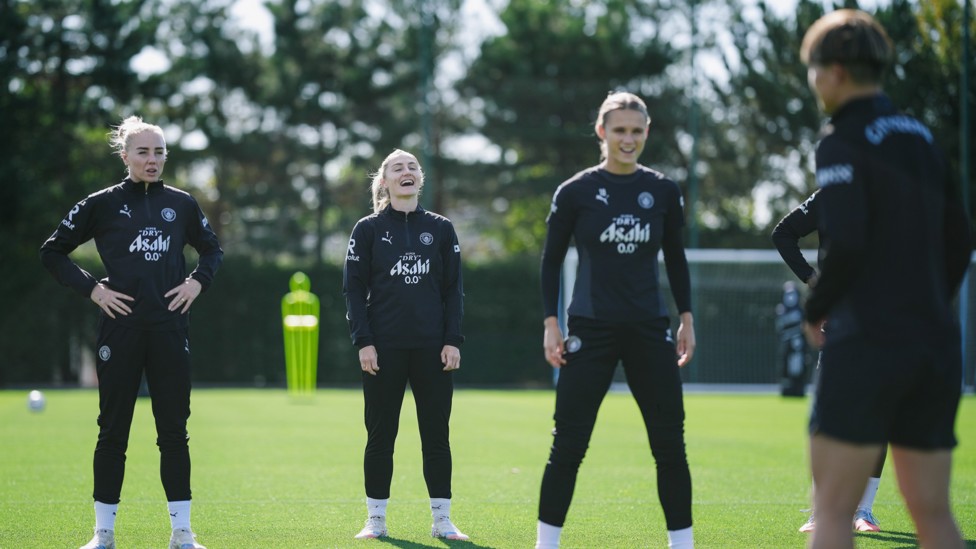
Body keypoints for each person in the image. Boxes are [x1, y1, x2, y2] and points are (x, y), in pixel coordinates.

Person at [798, 10, 971, 549]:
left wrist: (813, 308)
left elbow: (847, 241)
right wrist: (929, 306)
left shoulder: (841, 138)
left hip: (868, 341)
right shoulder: (920, 135)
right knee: (935, 517)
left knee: (831, 513)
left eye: (812, 69)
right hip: (936, 344)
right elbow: (961, 238)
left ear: (837, 71)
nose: (812, 81)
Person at [40, 116, 223, 549]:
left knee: (174, 432)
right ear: (125, 156)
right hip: (118, 331)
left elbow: (212, 249)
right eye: (143, 152)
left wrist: (198, 281)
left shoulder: (181, 203)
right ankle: (103, 534)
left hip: (169, 329)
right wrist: (92, 290)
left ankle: (182, 533)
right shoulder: (101, 203)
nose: (153, 159)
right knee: (112, 431)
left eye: (159, 152)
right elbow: (53, 252)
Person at [536, 91, 696, 549]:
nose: (629, 139)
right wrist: (551, 323)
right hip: (590, 329)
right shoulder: (574, 192)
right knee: (567, 446)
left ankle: (682, 546)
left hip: (650, 329)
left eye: (637, 131)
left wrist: (686, 318)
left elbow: (677, 260)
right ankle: (545, 544)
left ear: (647, 133)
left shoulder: (664, 190)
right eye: (620, 130)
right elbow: (550, 263)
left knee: (669, 447)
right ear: (602, 132)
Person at [342, 149, 468, 541]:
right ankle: (375, 520)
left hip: (433, 350)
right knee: (381, 436)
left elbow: (454, 291)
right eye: (397, 168)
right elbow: (353, 290)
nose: (406, 171)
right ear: (385, 182)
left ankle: (442, 520)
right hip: (384, 350)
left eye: (412, 166)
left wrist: (452, 340)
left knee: (436, 436)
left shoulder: (442, 229)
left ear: (420, 179)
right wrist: (364, 342)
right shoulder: (367, 229)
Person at [772, 190, 885, 534]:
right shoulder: (832, 193)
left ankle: (864, 510)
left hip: (887, 319)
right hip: (839, 319)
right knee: (828, 415)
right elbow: (783, 233)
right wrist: (815, 282)